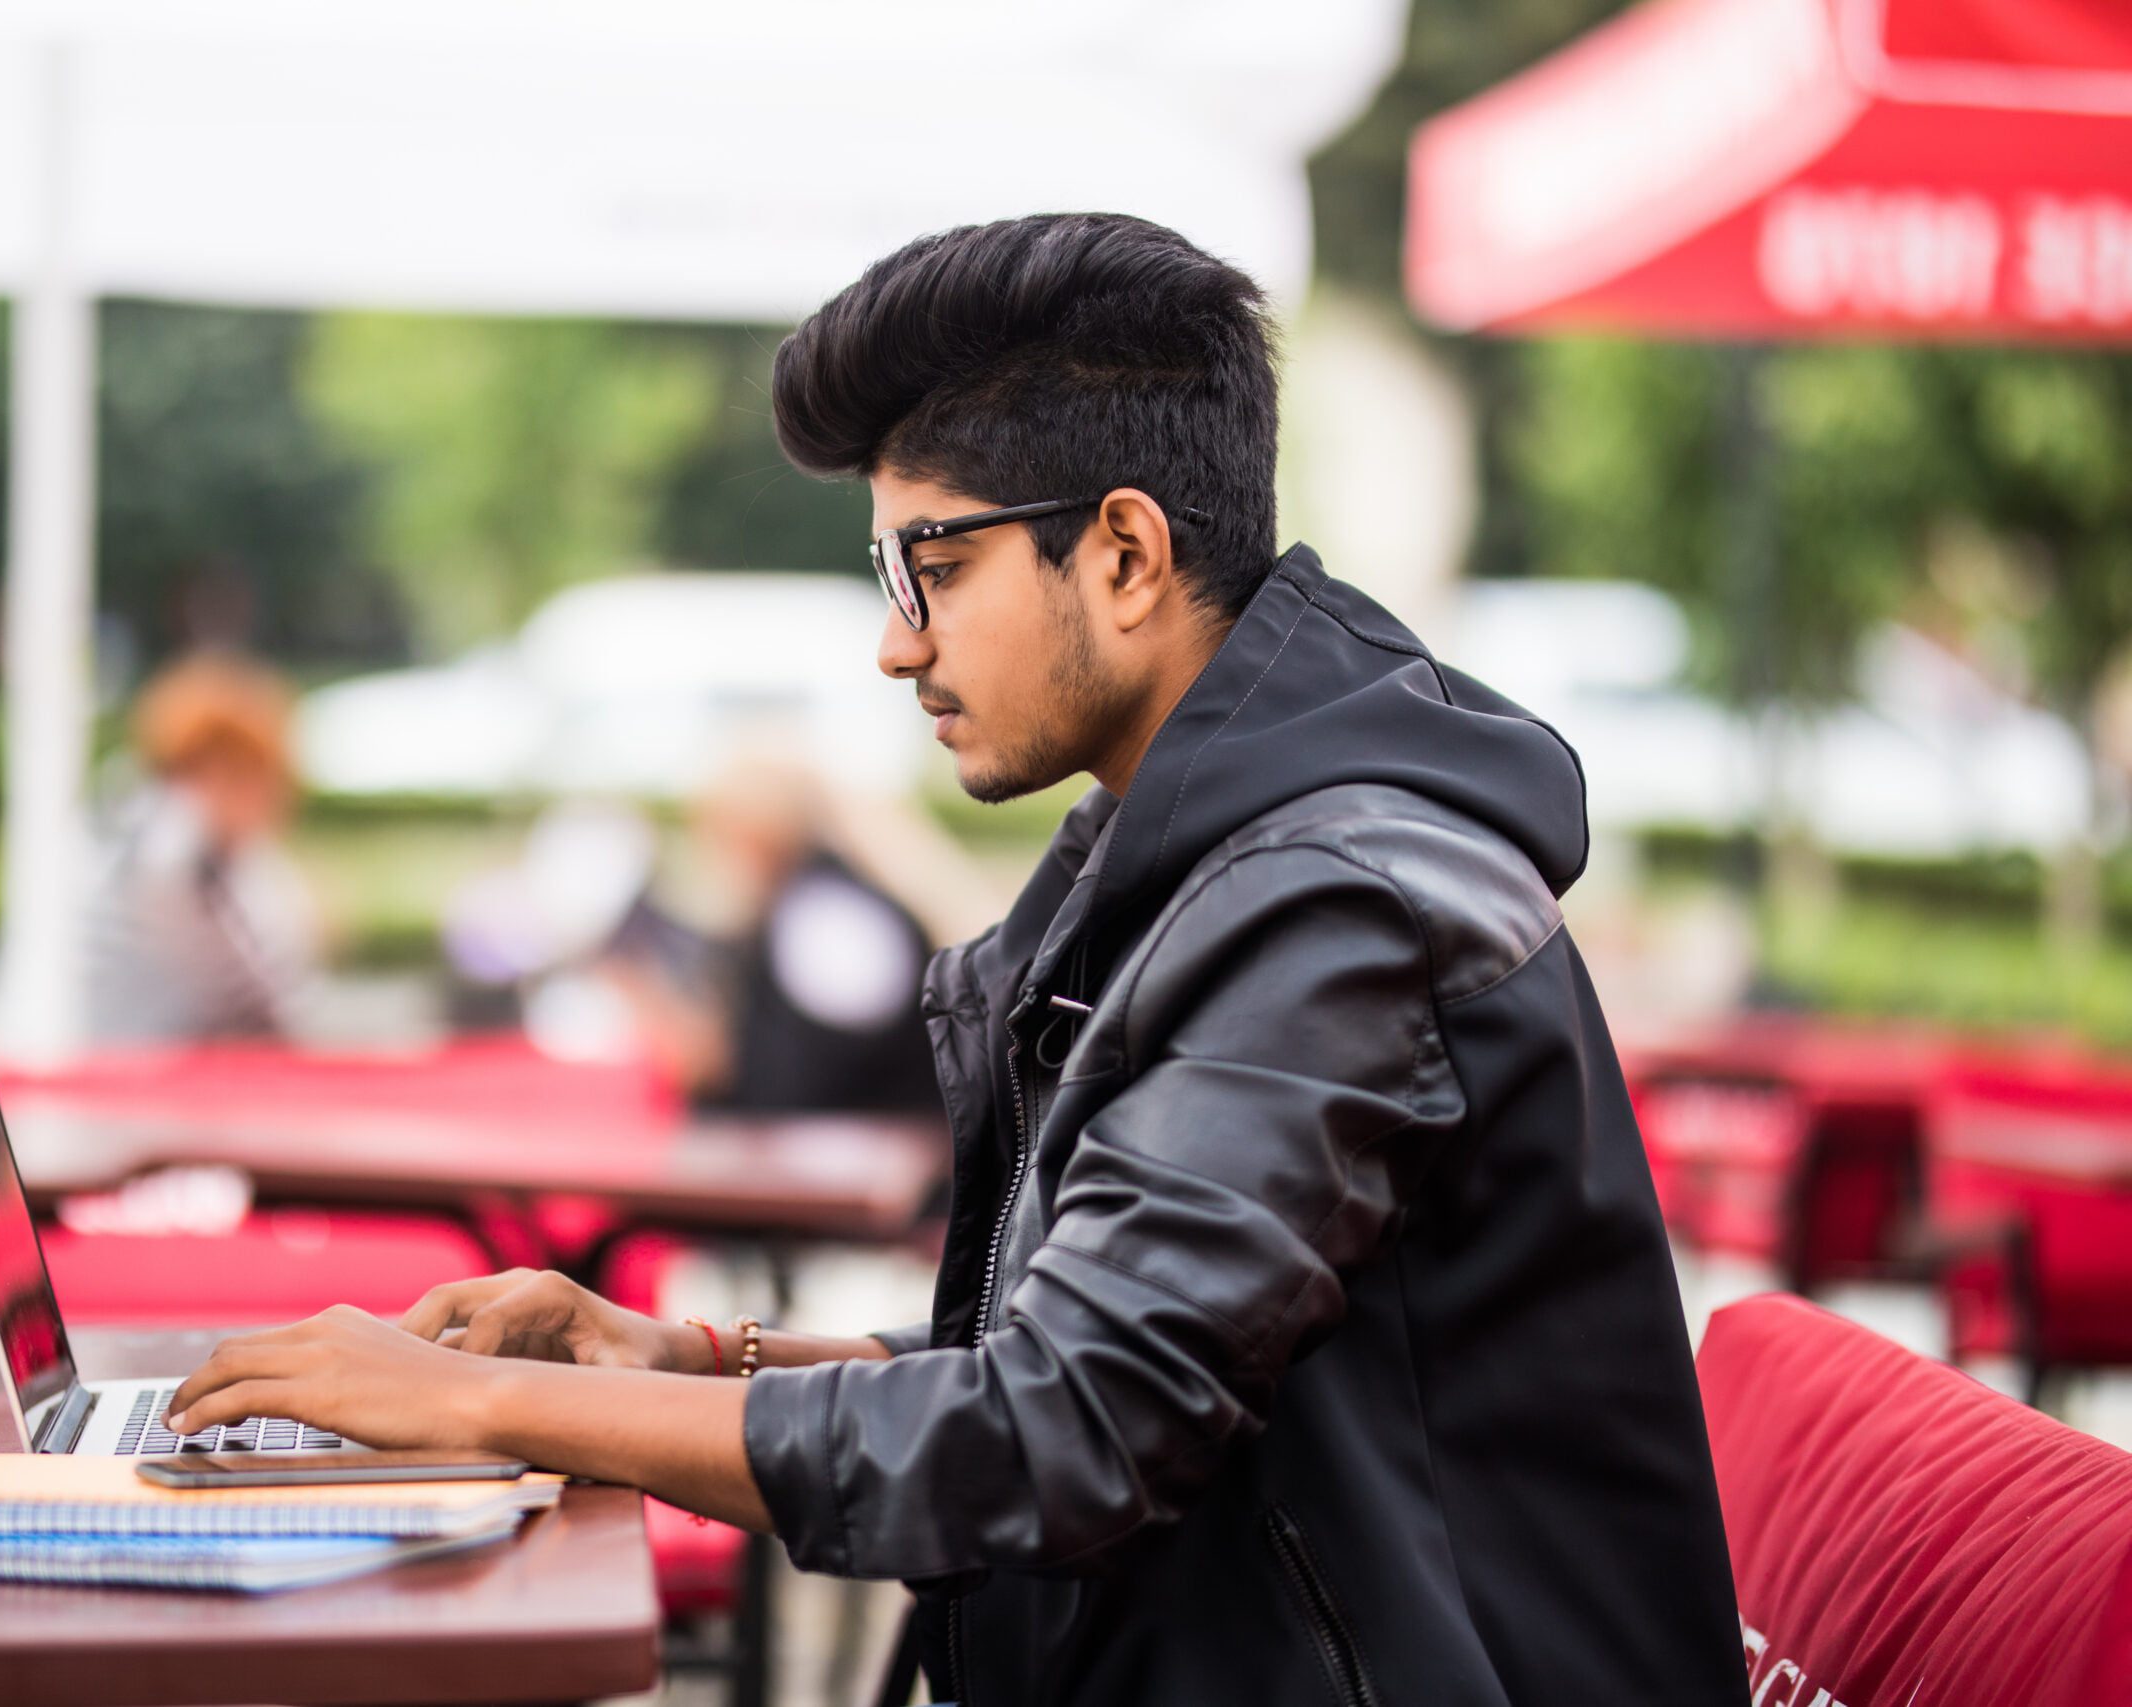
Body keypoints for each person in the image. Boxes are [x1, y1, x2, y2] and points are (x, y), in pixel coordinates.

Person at [165, 214, 1747, 1706]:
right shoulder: (1203, 865)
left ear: (1123, 553)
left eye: (936, 563)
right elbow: (1099, 1353)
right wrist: (686, 1354)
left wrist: (486, 1407)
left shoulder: (1336, 906)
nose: (897, 638)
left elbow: (1061, 1430)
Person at [603, 751, 942, 1117]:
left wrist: (709, 1062)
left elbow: (814, 1080)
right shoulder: (808, 908)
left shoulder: (828, 918)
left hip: (869, 1155)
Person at [81, 652, 320, 1045]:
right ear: (220, 769)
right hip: (154, 1074)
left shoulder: (143, 824)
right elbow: (249, 997)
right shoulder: (176, 848)